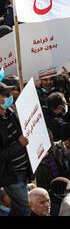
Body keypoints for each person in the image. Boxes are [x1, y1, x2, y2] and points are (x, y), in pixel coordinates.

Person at [0, 83, 30, 216]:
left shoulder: (10, 111)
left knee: (21, 207)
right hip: (12, 175)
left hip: (25, 168)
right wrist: (19, 145)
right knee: (28, 207)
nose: (9, 97)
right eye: (5, 95)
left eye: (9, 94)